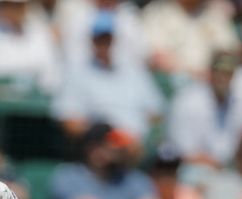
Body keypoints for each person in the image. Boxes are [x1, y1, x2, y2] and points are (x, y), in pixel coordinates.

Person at [51, 11, 164, 143]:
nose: (104, 44)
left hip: (134, 143)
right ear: (92, 40)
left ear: (114, 39)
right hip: (97, 146)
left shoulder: (135, 72)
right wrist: (101, 137)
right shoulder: (78, 73)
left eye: (107, 38)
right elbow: (68, 119)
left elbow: (157, 113)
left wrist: (138, 134)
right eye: (100, 39)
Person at [167, 50, 242, 168]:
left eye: (229, 73)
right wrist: (217, 166)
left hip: (227, 170)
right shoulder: (187, 101)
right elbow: (184, 153)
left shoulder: (237, 102)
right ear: (210, 72)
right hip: (189, 170)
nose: (224, 77)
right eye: (220, 71)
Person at [0, 0, 61, 94]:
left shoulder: (39, 30)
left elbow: (51, 71)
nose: (16, 10)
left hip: (37, 97)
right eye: (10, 5)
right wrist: (31, 70)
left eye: (20, 5)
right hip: (0, 98)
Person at [142, 0, 238, 78]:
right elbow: (158, 59)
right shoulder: (156, 13)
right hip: (174, 87)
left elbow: (229, 53)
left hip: (213, 87)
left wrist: (215, 74)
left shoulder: (215, 13)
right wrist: (196, 75)